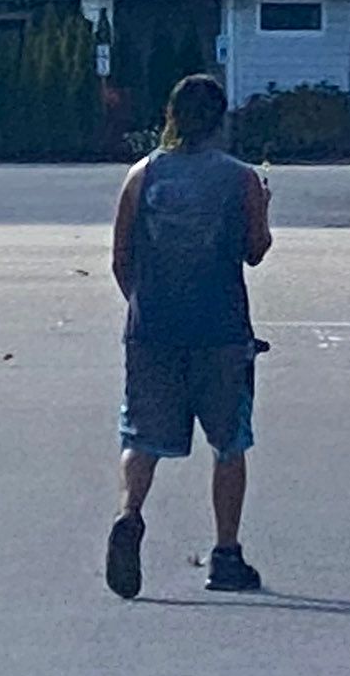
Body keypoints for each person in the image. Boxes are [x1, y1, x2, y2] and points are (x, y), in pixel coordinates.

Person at [105, 73, 273, 599]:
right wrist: (264, 207)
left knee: (142, 435)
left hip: (153, 326)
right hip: (220, 328)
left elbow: (120, 255)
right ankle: (226, 552)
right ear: (220, 119)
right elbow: (255, 249)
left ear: (171, 116)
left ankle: (130, 514)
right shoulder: (241, 178)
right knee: (229, 441)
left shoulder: (142, 175)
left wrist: (141, 302)